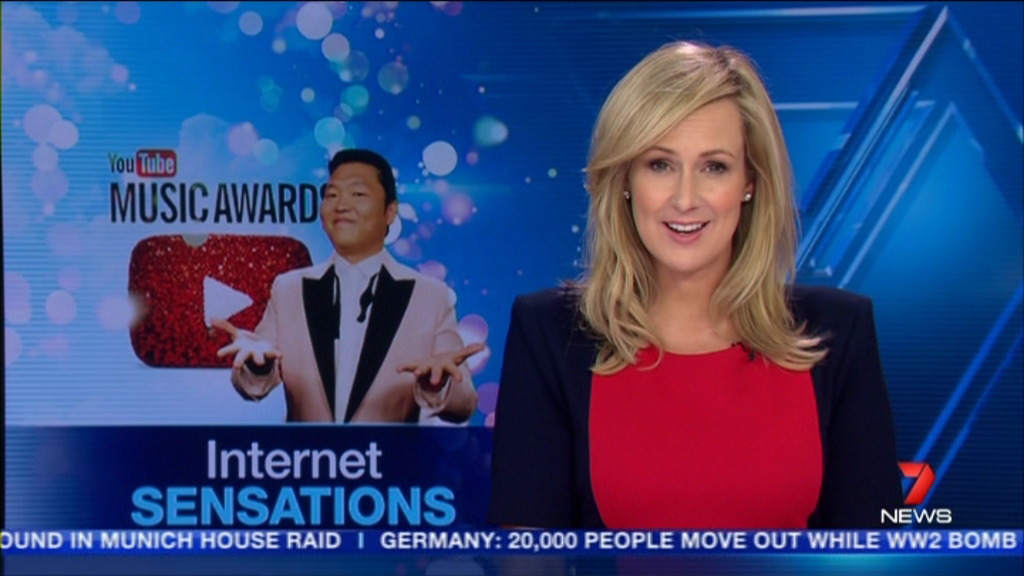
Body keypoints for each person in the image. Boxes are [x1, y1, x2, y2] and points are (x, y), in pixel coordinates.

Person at [488, 41, 903, 528]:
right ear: (624, 179)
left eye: (714, 167)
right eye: (660, 164)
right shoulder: (550, 334)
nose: (685, 198)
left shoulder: (838, 332)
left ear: (750, 182)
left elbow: (876, 550)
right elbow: (528, 554)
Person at [214, 148, 483, 424]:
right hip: (309, 452)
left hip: (391, 453)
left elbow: (464, 404)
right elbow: (254, 383)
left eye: (358, 194)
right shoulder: (289, 289)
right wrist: (257, 366)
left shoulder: (429, 296)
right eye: (332, 195)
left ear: (390, 211)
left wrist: (439, 384)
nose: (341, 205)